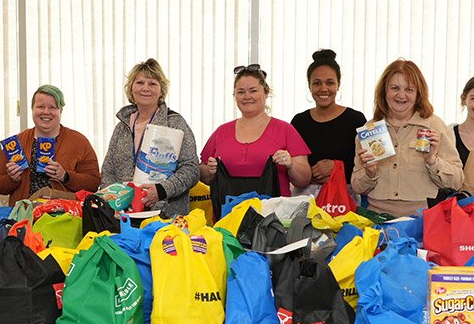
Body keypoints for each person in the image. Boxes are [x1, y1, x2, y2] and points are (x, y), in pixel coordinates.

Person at [350, 59, 463, 217]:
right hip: (378, 220)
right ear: (384, 91)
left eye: (409, 89)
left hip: (423, 221)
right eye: (394, 88)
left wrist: (432, 160)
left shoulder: (434, 126)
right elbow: (357, 187)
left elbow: (457, 182)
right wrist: (370, 173)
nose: (401, 95)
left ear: (418, 94)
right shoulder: (370, 131)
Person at [100, 58, 199, 216]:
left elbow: (191, 169)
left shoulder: (175, 123)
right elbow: (108, 170)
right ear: (131, 88)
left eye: (152, 84)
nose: (145, 88)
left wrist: (161, 191)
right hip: (122, 216)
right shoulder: (121, 127)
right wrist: (112, 204)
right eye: (139, 83)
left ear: (161, 91)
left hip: (164, 217)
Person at [199, 65, 311, 196]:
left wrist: (291, 165)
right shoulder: (221, 132)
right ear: (235, 96)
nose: (247, 96)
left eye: (253, 91)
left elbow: (304, 179)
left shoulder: (285, 130)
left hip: (272, 213)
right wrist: (209, 170)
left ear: (266, 92)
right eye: (241, 92)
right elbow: (203, 174)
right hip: (228, 214)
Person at [0, 85, 101, 202]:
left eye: (52, 107)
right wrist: (12, 179)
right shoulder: (16, 143)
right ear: (32, 109)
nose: (46, 112)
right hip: (25, 216)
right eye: (40, 107)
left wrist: (66, 176)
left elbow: (93, 184)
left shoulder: (79, 142)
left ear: (61, 111)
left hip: (65, 216)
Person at [290, 49, 367, 194]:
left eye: (330, 83)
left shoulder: (356, 119)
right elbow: (292, 166)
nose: (323, 89)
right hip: (306, 200)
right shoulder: (299, 122)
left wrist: (337, 167)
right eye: (317, 83)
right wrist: (307, 174)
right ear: (309, 86)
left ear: (338, 84)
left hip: (345, 200)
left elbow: (367, 166)